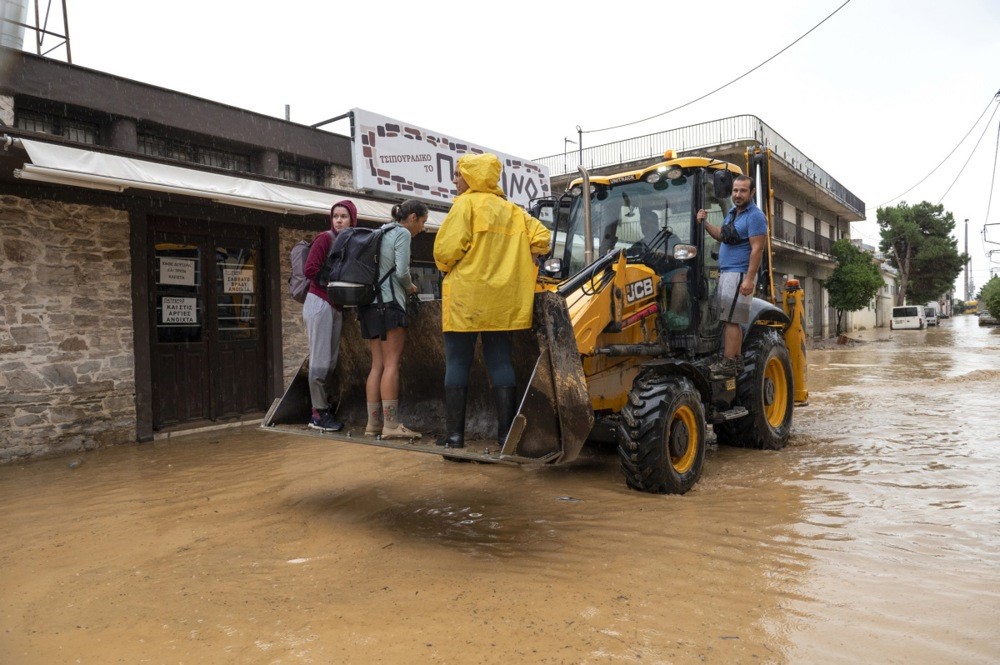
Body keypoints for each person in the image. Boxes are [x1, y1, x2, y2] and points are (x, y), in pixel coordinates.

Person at [433, 153, 551, 449]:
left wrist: (446, 267)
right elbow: (543, 237)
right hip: (502, 302)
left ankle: (455, 437)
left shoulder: (465, 206)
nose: (455, 180)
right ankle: (505, 437)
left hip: (466, 298)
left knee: (458, 362)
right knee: (500, 362)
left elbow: (445, 252)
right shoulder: (513, 211)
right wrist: (529, 254)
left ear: (471, 176)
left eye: (458, 174)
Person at [358, 199, 428, 439]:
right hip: (389, 305)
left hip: (369, 306)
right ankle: (390, 425)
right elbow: (401, 272)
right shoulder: (402, 234)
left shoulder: (379, 231)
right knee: (391, 364)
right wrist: (410, 287)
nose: (422, 228)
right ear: (412, 217)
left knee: (377, 365)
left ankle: (373, 424)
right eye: (423, 222)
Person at [696, 175, 767, 377]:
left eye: (743, 190)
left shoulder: (755, 216)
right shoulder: (732, 213)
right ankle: (734, 361)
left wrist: (749, 279)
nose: (738, 194)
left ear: (752, 192)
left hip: (739, 273)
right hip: (728, 273)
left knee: (731, 321)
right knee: (729, 320)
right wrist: (705, 223)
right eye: (735, 190)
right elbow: (723, 236)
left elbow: (757, 249)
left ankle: (728, 363)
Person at [302, 199, 357, 431]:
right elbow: (310, 269)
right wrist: (334, 282)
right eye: (335, 216)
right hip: (319, 302)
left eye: (343, 216)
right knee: (320, 360)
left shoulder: (351, 242)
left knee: (331, 361)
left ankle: (323, 406)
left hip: (335, 306)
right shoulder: (325, 239)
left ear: (352, 219)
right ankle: (318, 413)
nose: (338, 220)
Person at [627, 209, 690, 327]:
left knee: (681, 275)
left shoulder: (669, 238)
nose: (645, 226)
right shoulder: (638, 246)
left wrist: (665, 254)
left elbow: (683, 253)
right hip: (647, 280)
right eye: (642, 224)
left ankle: (672, 317)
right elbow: (627, 258)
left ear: (656, 223)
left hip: (669, 276)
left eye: (648, 223)